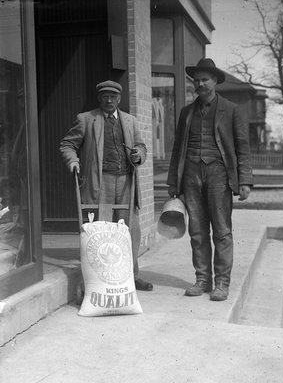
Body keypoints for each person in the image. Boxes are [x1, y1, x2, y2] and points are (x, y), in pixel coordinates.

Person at [167, 58, 253, 301]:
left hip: (219, 174)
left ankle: (222, 283)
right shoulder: (186, 112)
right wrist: (174, 182)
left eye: (205, 79)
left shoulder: (232, 110)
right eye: (197, 79)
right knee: (197, 231)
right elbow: (176, 151)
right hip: (191, 176)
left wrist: (244, 180)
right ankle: (202, 279)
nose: (200, 83)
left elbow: (243, 148)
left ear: (215, 81)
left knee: (222, 231)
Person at [60, 80, 153, 291]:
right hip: (100, 181)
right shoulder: (86, 119)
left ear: (119, 99)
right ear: (99, 98)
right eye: (105, 96)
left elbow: (141, 145)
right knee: (102, 230)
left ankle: (131, 275)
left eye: (113, 96)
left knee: (130, 230)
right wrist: (73, 160)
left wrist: (139, 155)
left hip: (127, 181)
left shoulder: (130, 121)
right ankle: (101, 279)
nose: (109, 100)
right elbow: (68, 144)